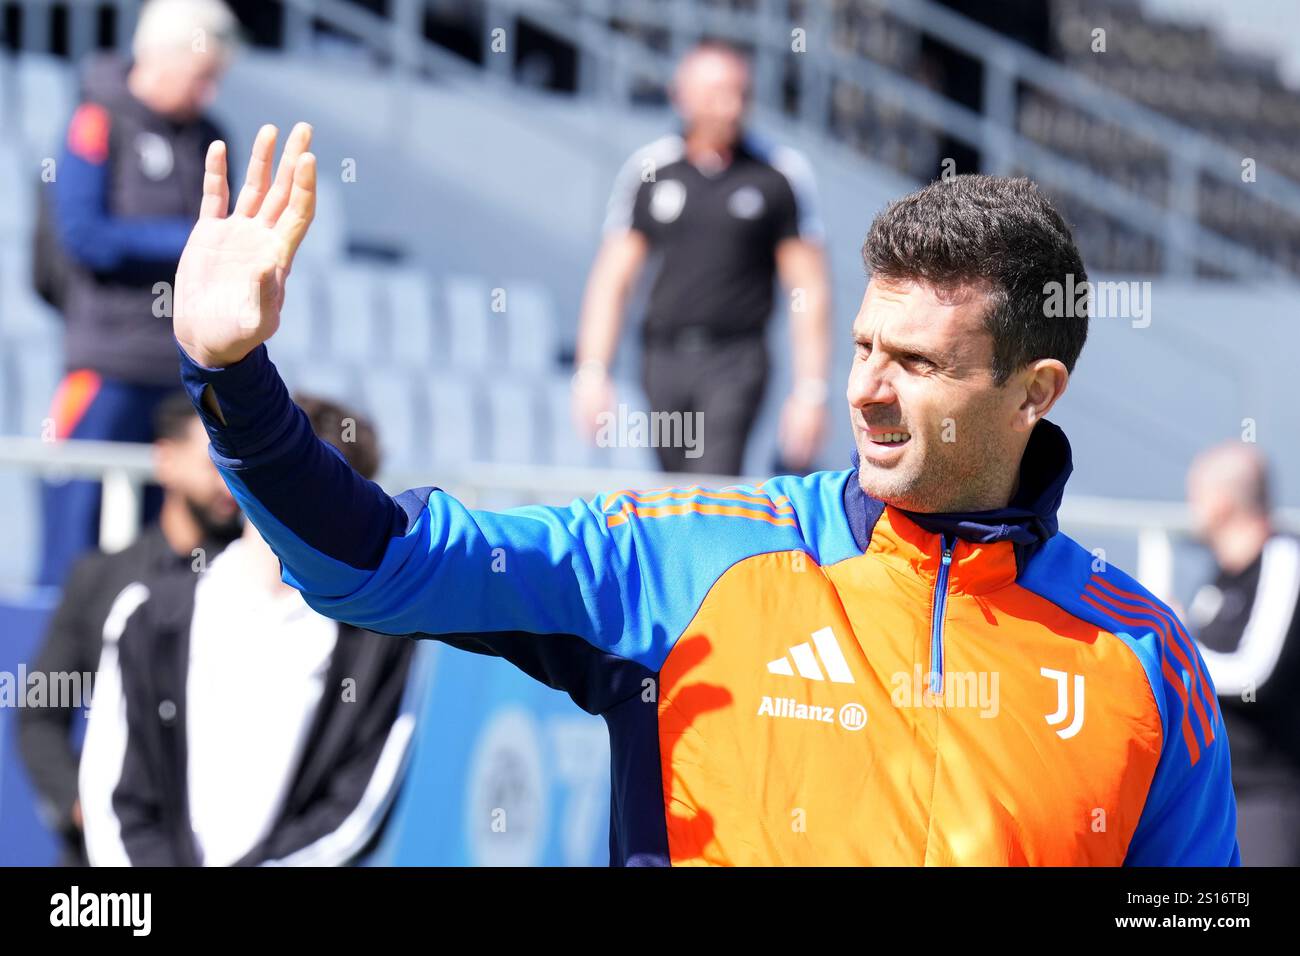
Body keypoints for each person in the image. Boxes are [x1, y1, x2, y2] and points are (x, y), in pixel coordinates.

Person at [170, 123, 1238, 866]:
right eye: (861, 344)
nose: (862, 386)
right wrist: (233, 379)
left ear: (1032, 391)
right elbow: (379, 562)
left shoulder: (1142, 655)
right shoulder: (679, 557)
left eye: (914, 363)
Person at [82, 395, 417, 867]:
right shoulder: (148, 614)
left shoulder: (379, 643)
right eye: (293, 478)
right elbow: (112, 798)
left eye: (340, 495)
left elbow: (356, 810)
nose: (312, 507)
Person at [38, 0, 238, 588]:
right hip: (105, 369)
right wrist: (191, 240)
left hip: (182, 376)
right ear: (161, 57)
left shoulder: (211, 136)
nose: (208, 91)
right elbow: (84, 236)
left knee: (177, 553)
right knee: (72, 543)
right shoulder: (96, 120)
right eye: (203, 75)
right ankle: (54, 679)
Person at [573, 40, 831, 476]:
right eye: (716, 94)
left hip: (736, 358)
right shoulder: (651, 170)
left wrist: (811, 392)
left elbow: (808, 289)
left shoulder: (777, 174)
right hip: (662, 357)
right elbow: (613, 280)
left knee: (712, 482)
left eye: (740, 94)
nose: (730, 107)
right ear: (682, 95)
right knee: (676, 488)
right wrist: (593, 371)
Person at [17, 392, 241, 865]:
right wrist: (81, 807)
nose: (229, 485)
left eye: (238, 467)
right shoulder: (99, 578)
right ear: (166, 461)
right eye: (214, 463)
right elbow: (39, 714)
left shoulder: (258, 582)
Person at [1185, 442, 1300, 866]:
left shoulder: (1284, 557)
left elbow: (1256, 674)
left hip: (1268, 799)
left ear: (1219, 502)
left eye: (1194, 493)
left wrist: (1178, 652)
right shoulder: (1220, 575)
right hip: (1217, 794)